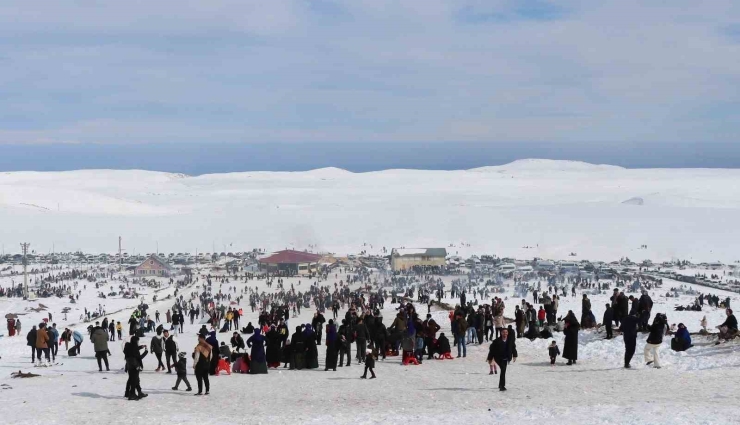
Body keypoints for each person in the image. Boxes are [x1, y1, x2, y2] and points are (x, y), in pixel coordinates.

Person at [123, 336, 148, 400]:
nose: (138, 342)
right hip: (135, 365)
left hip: (129, 365)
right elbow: (139, 357)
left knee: (132, 379)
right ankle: (132, 394)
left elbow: (133, 349)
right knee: (134, 380)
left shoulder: (128, 346)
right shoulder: (134, 348)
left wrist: (140, 347)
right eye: (137, 341)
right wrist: (146, 352)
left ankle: (130, 393)